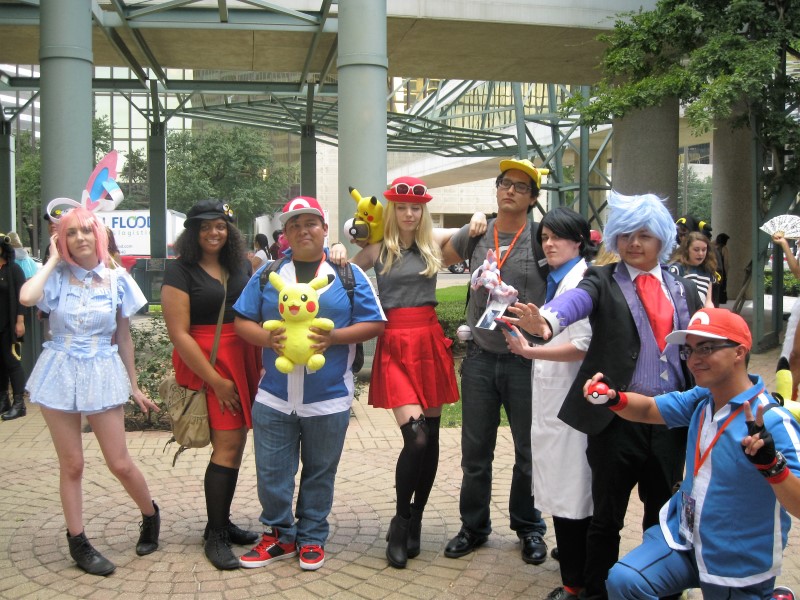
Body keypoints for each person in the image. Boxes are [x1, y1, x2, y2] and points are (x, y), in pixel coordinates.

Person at [515, 191, 703, 600]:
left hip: (670, 420)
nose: (633, 243)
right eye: (626, 234)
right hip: (615, 419)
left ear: (663, 239)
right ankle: (596, 592)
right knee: (605, 517)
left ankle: (663, 590)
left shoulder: (684, 289)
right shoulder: (602, 279)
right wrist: (545, 321)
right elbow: (574, 302)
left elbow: (702, 344)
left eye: (644, 235)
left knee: (663, 516)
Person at [583, 308, 800, 600]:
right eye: (689, 350)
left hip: (736, 560)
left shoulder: (773, 422)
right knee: (625, 581)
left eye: (706, 348)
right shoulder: (702, 398)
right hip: (684, 539)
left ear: (739, 352)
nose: (694, 359)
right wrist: (614, 397)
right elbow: (648, 409)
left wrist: (773, 467)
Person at [331, 176, 486, 569]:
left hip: (428, 341)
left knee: (429, 439)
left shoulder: (432, 243)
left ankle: (416, 519)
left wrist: (479, 214)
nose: (409, 213)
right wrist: (337, 249)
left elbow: (468, 232)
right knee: (415, 437)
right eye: (401, 207)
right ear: (392, 210)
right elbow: (339, 273)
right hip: (396, 344)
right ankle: (401, 522)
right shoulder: (377, 248)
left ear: (422, 211)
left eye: (416, 208)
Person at [233, 196, 385, 571]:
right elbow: (242, 320)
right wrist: (266, 339)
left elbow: (375, 323)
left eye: (311, 223)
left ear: (324, 229)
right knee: (272, 473)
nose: (303, 231)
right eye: (295, 225)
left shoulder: (347, 274)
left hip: (329, 397)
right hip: (274, 396)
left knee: (320, 472)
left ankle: (313, 536)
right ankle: (279, 536)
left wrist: (334, 338)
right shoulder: (267, 274)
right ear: (285, 234)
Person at [20, 205, 160, 576]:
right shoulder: (55, 277)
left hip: (101, 368)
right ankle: (78, 541)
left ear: (98, 235)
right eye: (70, 232)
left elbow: (124, 338)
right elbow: (27, 298)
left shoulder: (118, 280)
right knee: (72, 464)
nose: (79, 237)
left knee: (119, 462)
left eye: (86, 230)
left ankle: (150, 514)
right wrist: (53, 260)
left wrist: (134, 387)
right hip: (59, 369)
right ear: (60, 240)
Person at [439, 158, 549, 565]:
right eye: (505, 183)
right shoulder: (476, 233)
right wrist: (466, 224)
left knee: (528, 452)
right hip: (481, 359)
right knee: (475, 452)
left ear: (533, 198)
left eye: (521, 187)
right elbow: (436, 255)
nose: (511, 191)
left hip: (526, 360)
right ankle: (473, 526)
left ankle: (529, 526)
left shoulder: (542, 237)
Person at [161, 199, 262, 570]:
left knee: (234, 444)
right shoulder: (180, 270)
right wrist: (216, 381)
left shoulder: (240, 264)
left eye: (220, 225)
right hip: (209, 363)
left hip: (242, 356)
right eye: (205, 226)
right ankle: (216, 535)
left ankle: (220, 522)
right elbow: (179, 334)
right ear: (193, 232)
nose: (214, 232)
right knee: (228, 446)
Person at [503, 207, 594, 600]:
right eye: (544, 238)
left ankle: (577, 583)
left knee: (573, 490)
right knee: (563, 487)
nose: (550, 244)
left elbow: (582, 346)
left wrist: (531, 352)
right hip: (558, 402)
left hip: (572, 404)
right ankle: (576, 561)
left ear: (579, 241)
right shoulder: (558, 279)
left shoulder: (584, 282)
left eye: (558, 237)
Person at [0, 234, 27, 421]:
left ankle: (19, 404)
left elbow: (21, 297)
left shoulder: (14, 269)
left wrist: (20, 321)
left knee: (12, 362)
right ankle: (3, 400)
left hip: (9, 324)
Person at [669, 231, 717, 307]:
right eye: (696, 250)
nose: (701, 253)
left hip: (701, 312)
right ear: (687, 250)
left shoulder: (708, 270)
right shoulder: (676, 269)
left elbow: (708, 301)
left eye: (704, 250)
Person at [715, 233, 730, 304]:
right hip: (720, 272)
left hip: (712, 271)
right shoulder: (724, 249)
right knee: (721, 288)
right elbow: (726, 263)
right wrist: (726, 273)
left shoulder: (712, 247)